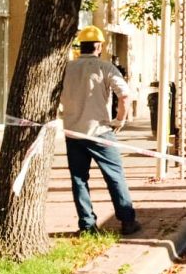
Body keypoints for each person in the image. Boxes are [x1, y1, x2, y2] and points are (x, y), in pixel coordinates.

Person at [60, 25, 141, 236]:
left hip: (73, 132)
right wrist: (119, 120)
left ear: (80, 46)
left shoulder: (66, 68)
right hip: (100, 131)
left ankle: (87, 225)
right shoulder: (105, 68)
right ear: (99, 46)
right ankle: (127, 221)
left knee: (79, 179)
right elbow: (125, 95)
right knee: (114, 176)